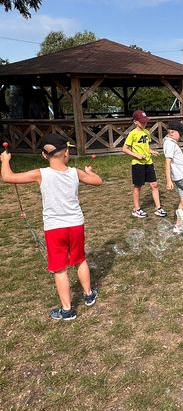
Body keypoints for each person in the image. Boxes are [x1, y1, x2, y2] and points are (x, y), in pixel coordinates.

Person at [0, 134, 102, 320]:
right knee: (80, 259)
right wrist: (88, 171)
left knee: (60, 269)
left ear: (44, 155)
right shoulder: (75, 172)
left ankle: (67, 310)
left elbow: (8, 177)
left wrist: (5, 160)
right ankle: (88, 295)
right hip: (76, 225)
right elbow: (98, 181)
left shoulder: (40, 173)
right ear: (67, 152)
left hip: (55, 228)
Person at [122, 109, 167, 218]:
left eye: (145, 121)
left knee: (154, 184)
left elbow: (145, 147)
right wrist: (136, 155)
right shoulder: (132, 134)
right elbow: (124, 149)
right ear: (135, 122)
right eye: (142, 121)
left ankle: (158, 208)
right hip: (138, 164)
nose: (144, 123)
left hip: (148, 162)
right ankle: (136, 209)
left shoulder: (147, 132)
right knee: (138, 186)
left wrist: (152, 151)